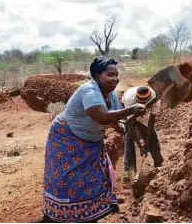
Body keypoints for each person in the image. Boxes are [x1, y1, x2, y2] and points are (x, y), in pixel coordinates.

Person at [41, 56, 146, 223]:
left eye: (117, 74)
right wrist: (131, 110)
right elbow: (102, 116)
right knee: (66, 178)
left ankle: (88, 213)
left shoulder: (110, 95)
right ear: (97, 76)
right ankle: (60, 214)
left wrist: (122, 126)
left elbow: (114, 119)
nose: (115, 78)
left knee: (92, 177)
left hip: (91, 143)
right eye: (110, 75)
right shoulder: (89, 91)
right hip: (65, 138)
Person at [121, 86, 163, 181]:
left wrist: (147, 139)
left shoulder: (154, 98)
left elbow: (151, 120)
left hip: (145, 115)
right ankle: (129, 169)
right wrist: (141, 146)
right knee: (130, 138)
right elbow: (132, 126)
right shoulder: (129, 101)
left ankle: (159, 164)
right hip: (130, 112)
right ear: (137, 101)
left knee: (152, 136)